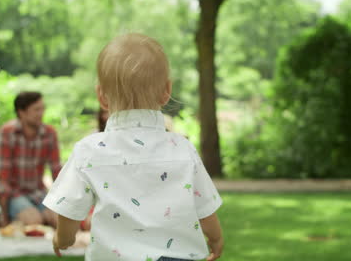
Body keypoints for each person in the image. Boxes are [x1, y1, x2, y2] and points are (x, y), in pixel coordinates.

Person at [43, 33, 224, 261]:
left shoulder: (88, 151)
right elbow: (205, 206)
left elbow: (69, 210)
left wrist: (62, 239)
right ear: (167, 91)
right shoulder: (182, 149)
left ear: (101, 96)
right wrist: (215, 239)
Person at [0, 91, 61, 227]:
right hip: (15, 194)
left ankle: (42, 216)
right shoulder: (7, 133)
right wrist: (4, 216)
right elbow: (3, 178)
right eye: (36, 109)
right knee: (34, 221)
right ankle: (35, 216)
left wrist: (61, 204)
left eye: (42, 108)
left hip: (39, 192)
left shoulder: (49, 133)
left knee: (61, 220)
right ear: (21, 112)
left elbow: (57, 172)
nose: (41, 113)